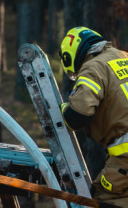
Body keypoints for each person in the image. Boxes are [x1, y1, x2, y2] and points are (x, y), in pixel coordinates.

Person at [60, 26, 128, 206]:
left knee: (104, 199)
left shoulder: (93, 67)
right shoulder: (123, 56)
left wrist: (63, 108)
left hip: (125, 158)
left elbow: (76, 116)